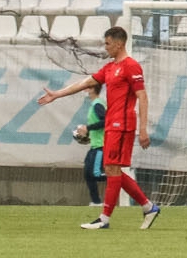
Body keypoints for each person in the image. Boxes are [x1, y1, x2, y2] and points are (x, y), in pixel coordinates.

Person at [40, 25, 160, 230]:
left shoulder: (131, 66)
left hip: (123, 125)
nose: (105, 48)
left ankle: (105, 219)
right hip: (112, 125)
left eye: (108, 43)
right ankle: (148, 207)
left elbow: (142, 96)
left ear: (119, 43)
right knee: (112, 169)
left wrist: (143, 129)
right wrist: (57, 94)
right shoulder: (110, 68)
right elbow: (84, 82)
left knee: (112, 168)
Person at [75, 81, 106, 209]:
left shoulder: (98, 104)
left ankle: (118, 177)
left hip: (101, 145)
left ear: (92, 89)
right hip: (94, 144)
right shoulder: (94, 104)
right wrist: (87, 134)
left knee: (95, 174)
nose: (85, 89)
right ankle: (96, 202)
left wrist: (88, 128)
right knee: (88, 173)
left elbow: (106, 121)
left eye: (87, 86)